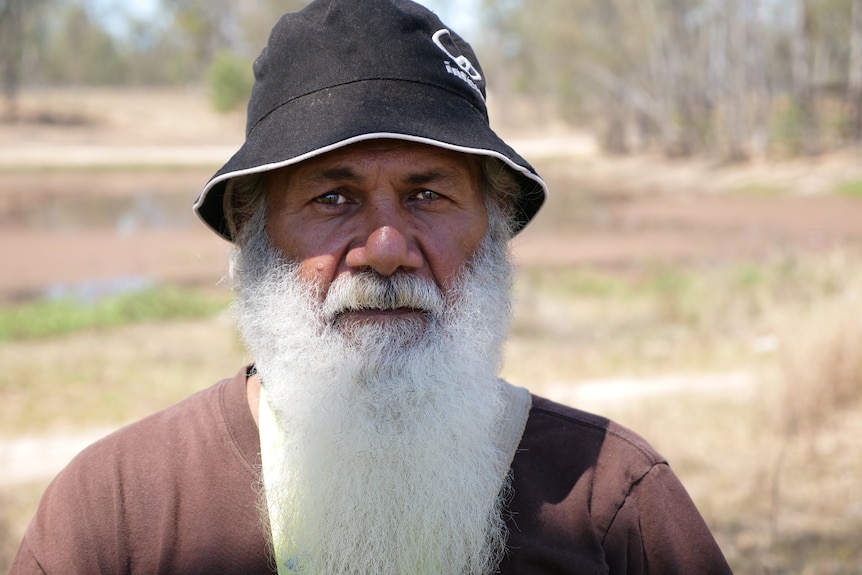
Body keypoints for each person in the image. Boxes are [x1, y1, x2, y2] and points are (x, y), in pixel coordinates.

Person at [10, 0, 733, 573]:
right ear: (253, 228)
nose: (386, 250)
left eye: (428, 195)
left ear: (495, 225)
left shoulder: (613, 502)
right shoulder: (114, 514)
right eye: (333, 198)